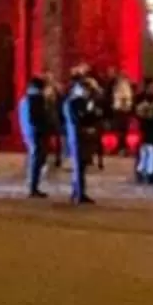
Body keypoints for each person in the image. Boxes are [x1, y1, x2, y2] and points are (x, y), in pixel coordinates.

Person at [63, 71, 101, 205]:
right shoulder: (72, 102)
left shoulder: (79, 101)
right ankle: (79, 193)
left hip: (80, 135)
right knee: (78, 165)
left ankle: (77, 191)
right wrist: (87, 124)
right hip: (77, 136)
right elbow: (77, 119)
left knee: (81, 165)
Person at [17, 74, 56, 197]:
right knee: (37, 159)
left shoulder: (25, 99)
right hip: (37, 133)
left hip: (28, 133)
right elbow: (39, 118)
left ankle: (33, 185)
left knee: (35, 159)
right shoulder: (37, 99)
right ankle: (33, 187)